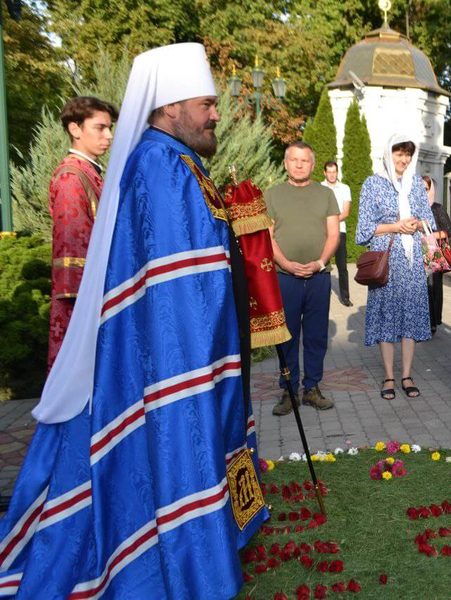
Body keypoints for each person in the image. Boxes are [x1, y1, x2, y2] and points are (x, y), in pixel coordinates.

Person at [0, 43, 266, 598]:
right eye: (206, 104)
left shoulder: (182, 161)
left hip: (207, 344)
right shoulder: (159, 165)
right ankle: (184, 561)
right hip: (181, 354)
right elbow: (173, 284)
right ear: (170, 108)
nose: (216, 115)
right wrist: (196, 359)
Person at [357, 134, 435, 400]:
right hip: (386, 260)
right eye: (398, 153)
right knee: (387, 316)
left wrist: (417, 222)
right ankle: (389, 375)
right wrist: (396, 225)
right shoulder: (373, 183)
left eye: (407, 154)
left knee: (411, 316)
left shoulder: (415, 184)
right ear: (388, 154)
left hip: (412, 261)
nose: (403, 159)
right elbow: (364, 229)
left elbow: (429, 220)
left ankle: (407, 375)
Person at [266, 141, 340, 413]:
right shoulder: (272, 195)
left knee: (316, 336)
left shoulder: (325, 195)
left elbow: (333, 234)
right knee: (286, 337)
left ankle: (312, 388)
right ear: (286, 164)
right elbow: (267, 236)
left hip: (319, 277)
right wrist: (286, 263)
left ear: (312, 164)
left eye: (304, 160)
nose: (299, 165)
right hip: (284, 277)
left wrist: (320, 262)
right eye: (294, 160)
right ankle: (288, 392)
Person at [47, 96, 117, 370]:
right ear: (75, 129)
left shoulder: (89, 172)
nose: (108, 136)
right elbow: (71, 244)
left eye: (109, 128)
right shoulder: (71, 177)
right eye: (100, 128)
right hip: (83, 301)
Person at [423, 174, 451, 335]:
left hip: (434, 255)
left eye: (425, 189)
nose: (423, 192)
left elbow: (449, 231)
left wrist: (433, 235)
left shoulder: (437, 208)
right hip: (417, 254)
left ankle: (433, 322)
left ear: (431, 189)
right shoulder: (414, 208)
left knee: (432, 288)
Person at [323, 160, 353, 307]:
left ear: (337, 172)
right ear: (325, 173)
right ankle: (322, 295)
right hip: (323, 232)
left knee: (342, 266)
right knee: (323, 264)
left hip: (340, 231)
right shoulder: (319, 188)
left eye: (334, 172)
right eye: (329, 172)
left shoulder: (345, 188)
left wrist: (332, 222)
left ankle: (345, 296)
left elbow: (346, 212)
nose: (332, 174)